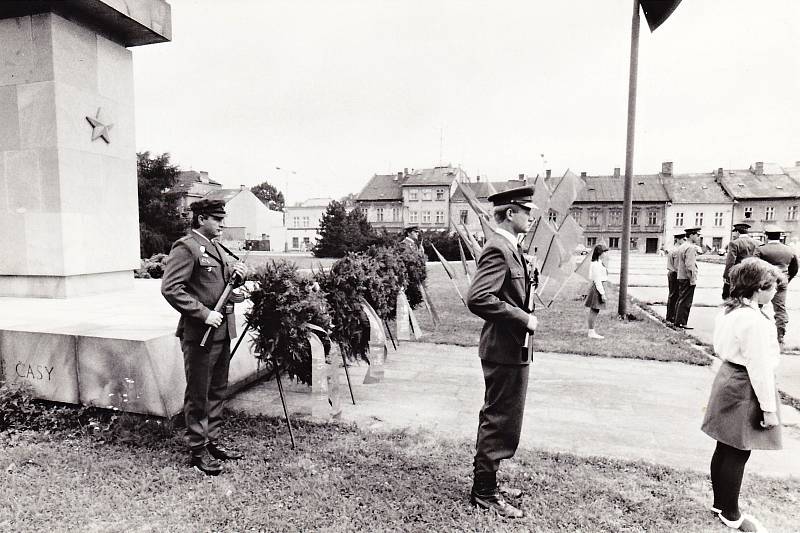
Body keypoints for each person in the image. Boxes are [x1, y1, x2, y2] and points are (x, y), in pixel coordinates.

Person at [466, 185, 538, 518]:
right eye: (526, 210)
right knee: (498, 419)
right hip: (503, 348)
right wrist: (523, 318)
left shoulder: (512, 248)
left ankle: (490, 481)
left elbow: (510, 290)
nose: (531, 215)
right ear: (510, 214)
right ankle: (484, 492)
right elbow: (479, 298)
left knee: (506, 419)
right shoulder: (498, 248)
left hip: (513, 347)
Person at [161, 199, 248, 476]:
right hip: (201, 332)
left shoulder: (217, 248)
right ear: (200, 219)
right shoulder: (186, 247)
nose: (222, 224)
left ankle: (212, 440)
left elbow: (219, 287)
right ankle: (198, 449)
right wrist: (202, 313)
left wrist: (238, 287)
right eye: (216, 219)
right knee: (199, 392)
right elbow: (171, 289)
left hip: (222, 331)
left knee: (217, 389)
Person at [701, 258, 782, 532]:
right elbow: (759, 367)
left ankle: (720, 502)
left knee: (724, 446)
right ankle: (731, 512)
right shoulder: (754, 321)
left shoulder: (729, 310)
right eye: (773, 288)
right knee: (739, 450)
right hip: (746, 385)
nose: (776, 293)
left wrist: (765, 310)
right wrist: (769, 409)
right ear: (759, 287)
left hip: (728, 377)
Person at [754, 225, 798, 347]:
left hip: (764, 280)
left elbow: (754, 266)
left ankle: (755, 332)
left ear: (766, 236)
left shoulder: (761, 249)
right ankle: (780, 336)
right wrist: (787, 279)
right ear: (780, 236)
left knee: (756, 306)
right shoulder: (789, 250)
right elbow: (795, 268)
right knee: (780, 309)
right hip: (782, 279)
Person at [674, 227, 701, 329]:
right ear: (691, 235)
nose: (698, 237)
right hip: (687, 277)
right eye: (697, 235)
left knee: (681, 299)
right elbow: (690, 265)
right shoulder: (690, 247)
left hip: (681, 276)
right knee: (686, 301)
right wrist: (692, 279)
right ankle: (682, 323)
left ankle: (677, 321)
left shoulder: (682, 246)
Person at [723, 222, 758, 299]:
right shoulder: (756, 243)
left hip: (738, 273)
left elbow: (730, 261)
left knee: (735, 295)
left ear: (737, 232)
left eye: (734, 232)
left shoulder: (734, 243)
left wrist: (726, 275)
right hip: (753, 273)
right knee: (749, 295)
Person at [584, 243, 609, 339]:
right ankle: (591, 332)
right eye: (604, 252)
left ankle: (592, 331)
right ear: (600, 253)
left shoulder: (599, 263)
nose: (605, 254)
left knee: (596, 310)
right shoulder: (596, 264)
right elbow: (597, 280)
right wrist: (602, 293)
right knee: (594, 309)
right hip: (598, 288)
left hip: (599, 287)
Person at [665, 232, 686, 325]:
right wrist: (676, 273)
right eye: (682, 239)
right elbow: (669, 265)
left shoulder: (681, 250)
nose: (683, 241)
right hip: (673, 274)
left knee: (678, 296)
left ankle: (674, 316)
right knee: (673, 295)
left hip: (678, 274)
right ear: (677, 239)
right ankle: (670, 317)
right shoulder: (673, 250)